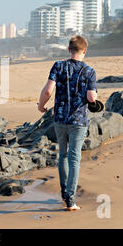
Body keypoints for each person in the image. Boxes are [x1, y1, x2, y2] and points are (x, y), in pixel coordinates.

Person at [37, 36, 97, 211]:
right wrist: (95, 99)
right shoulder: (89, 71)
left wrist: (41, 105)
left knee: (62, 154)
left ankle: (64, 193)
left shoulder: (58, 66)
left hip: (60, 118)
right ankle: (70, 200)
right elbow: (91, 97)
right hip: (78, 121)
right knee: (74, 158)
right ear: (85, 51)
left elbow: (48, 90)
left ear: (69, 49)